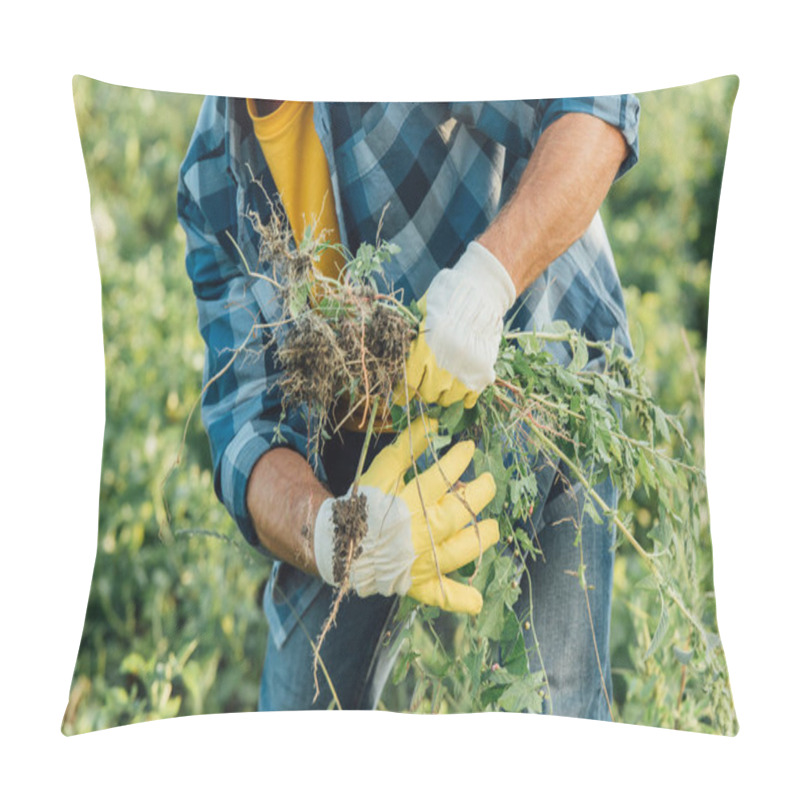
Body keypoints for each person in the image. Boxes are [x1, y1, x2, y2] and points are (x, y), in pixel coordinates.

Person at [177, 96, 640, 717]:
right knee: (300, 710)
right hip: (359, 452)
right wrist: (333, 536)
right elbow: (244, 427)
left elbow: (596, 104)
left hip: (537, 370)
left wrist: (487, 282)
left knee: (556, 706)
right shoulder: (213, 175)